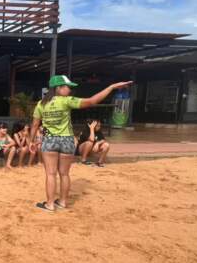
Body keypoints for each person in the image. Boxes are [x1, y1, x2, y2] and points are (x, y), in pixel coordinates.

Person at [31, 75, 132, 212]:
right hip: (66, 140)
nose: (69, 90)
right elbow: (92, 101)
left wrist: (31, 141)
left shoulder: (41, 104)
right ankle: (62, 202)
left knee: (50, 174)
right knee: (64, 174)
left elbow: (35, 125)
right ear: (58, 88)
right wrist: (111, 87)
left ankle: (49, 204)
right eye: (67, 87)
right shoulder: (67, 101)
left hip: (49, 140)